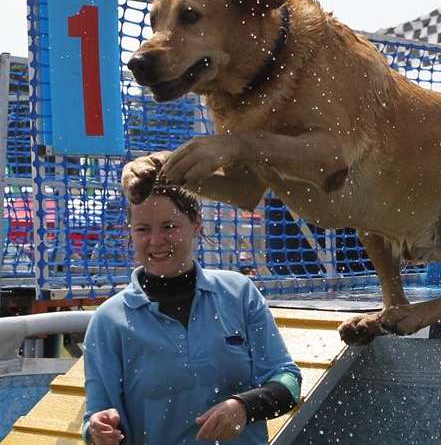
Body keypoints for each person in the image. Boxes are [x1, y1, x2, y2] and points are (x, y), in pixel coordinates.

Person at [82, 184, 301, 444]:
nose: (156, 240)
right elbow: (95, 418)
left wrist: (244, 407)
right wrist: (98, 432)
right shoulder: (108, 320)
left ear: (196, 223)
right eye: (143, 229)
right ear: (130, 232)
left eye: (169, 226)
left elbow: (289, 381)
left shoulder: (239, 293)